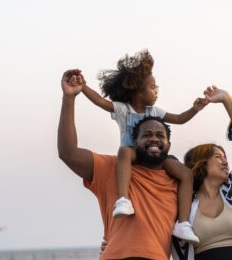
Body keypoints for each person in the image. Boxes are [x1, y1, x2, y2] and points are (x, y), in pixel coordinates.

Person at [79, 50, 207, 243]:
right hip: (133, 154)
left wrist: (195, 109)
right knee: (124, 151)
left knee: (185, 174)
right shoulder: (123, 109)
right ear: (139, 90)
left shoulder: (154, 111)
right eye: (153, 87)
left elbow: (179, 119)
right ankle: (123, 200)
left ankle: (182, 224)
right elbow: (100, 101)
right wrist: (83, 87)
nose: (157, 91)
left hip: (155, 156)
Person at [58, 69, 185, 259]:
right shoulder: (113, 168)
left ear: (169, 144)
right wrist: (69, 98)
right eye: (147, 135)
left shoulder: (178, 180)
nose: (154, 140)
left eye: (160, 136)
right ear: (134, 142)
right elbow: (68, 153)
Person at [172, 86, 232, 260]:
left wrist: (226, 98)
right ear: (201, 163)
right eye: (218, 157)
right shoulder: (184, 202)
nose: (226, 161)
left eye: (225, 157)